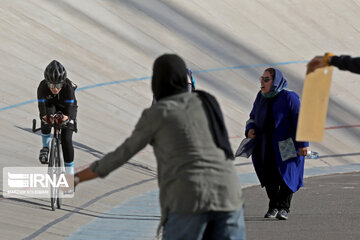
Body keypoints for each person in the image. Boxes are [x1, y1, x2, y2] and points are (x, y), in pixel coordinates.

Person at [73, 54, 245, 240]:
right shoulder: (207, 102)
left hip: (187, 198)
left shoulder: (158, 113)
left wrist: (75, 178)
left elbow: (120, 155)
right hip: (229, 194)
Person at [246, 68, 309, 220]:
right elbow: (252, 116)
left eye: (266, 79)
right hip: (265, 144)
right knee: (269, 176)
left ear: (275, 81)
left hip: (286, 144)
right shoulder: (260, 97)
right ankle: (273, 206)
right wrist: (250, 129)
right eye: (262, 78)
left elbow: (300, 121)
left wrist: (303, 144)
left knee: (288, 175)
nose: (262, 82)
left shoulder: (289, 97)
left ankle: (284, 208)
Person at [37, 60, 78, 175]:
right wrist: (46, 118)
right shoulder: (42, 87)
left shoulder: (68, 87)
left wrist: (66, 118)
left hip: (67, 107)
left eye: (58, 85)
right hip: (51, 105)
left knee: (66, 139)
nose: (55, 88)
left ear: (63, 82)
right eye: (51, 85)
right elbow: (42, 107)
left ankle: (69, 174)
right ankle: (45, 148)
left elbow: (70, 109)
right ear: (47, 82)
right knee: (45, 117)